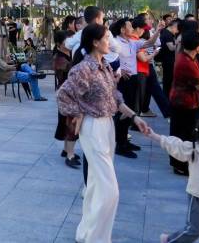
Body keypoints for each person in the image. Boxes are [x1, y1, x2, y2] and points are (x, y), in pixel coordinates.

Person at [56, 23, 149, 243]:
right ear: (95, 42)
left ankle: (85, 233)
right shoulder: (83, 69)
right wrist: (77, 112)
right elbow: (63, 95)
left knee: (96, 186)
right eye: (106, 38)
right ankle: (97, 238)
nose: (110, 42)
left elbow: (114, 97)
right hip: (93, 127)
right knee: (110, 190)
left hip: (107, 126)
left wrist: (134, 117)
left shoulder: (104, 66)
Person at [111, 17, 163, 158]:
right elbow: (107, 60)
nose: (132, 28)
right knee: (122, 112)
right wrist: (119, 70)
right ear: (122, 29)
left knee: (131, 110)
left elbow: (149, 43)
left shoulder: (132, 42)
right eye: (129, 26)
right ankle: (119, 144)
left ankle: (124, 141)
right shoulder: (115, 43)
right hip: (123, 81)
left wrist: (158, 30)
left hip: (133, 79)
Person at [169, 30, 199, 176]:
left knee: (181, 133)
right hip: (185, 103)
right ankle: (180, 165)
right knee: (184, 135)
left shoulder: (185, 56)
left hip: (182, 101)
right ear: (198, 47)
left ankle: (179, 163)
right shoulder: (187, 63)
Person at [52, 30, 81, 169]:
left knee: (67, 122)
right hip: (66, 93)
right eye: (67, 40)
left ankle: (66, 150)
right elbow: (71, 71)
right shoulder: (59, 57)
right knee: (71, 123)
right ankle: (70, 155)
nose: (70, 42)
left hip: (71, 92)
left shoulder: (70, 53)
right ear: (59, 43)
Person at [158, 19, 179, 97]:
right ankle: (167, 97)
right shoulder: (167, 34)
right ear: (174, 26)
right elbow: (171, 48)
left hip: (168, 60)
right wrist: (178, 42)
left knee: (168, 80)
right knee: (168, 80)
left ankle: (167, 96)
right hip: (168, 61)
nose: (177, 31)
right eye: (177, 29)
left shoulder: (166, 33)